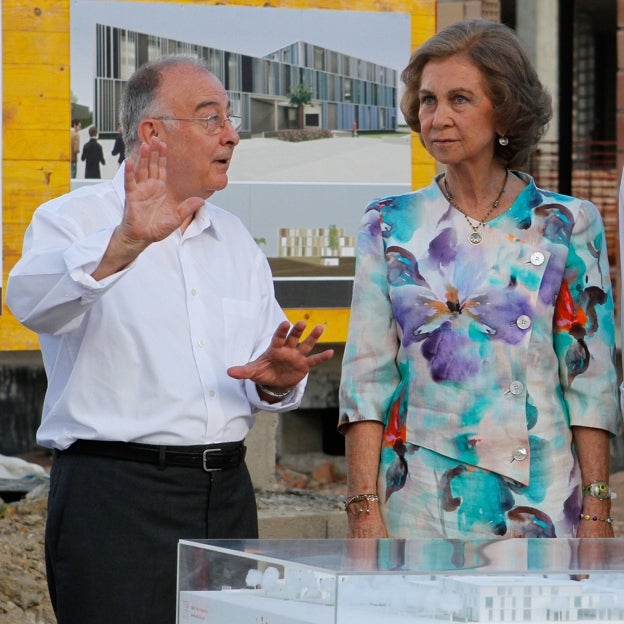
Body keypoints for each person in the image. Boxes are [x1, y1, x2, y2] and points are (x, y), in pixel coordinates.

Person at [6, 55, 333, 624]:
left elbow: (261, 374)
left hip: (227, 494)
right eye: (211, 119)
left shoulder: (233, 239)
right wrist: (126, 243)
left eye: (230, 120)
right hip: (115, 499)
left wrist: (280, 381)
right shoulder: (74, 220)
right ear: (151, 132)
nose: (232, 134)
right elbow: (32, 303)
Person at [339, 19, 620, 541]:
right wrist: (362, 509)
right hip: (419, 499)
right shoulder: (389, 223)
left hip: (544, 494)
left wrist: (598, 512)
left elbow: (591, 384)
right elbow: (365, 379)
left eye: (460, 99)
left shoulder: (566, 223)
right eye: (427, 101)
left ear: (505, 112)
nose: (437, 117)